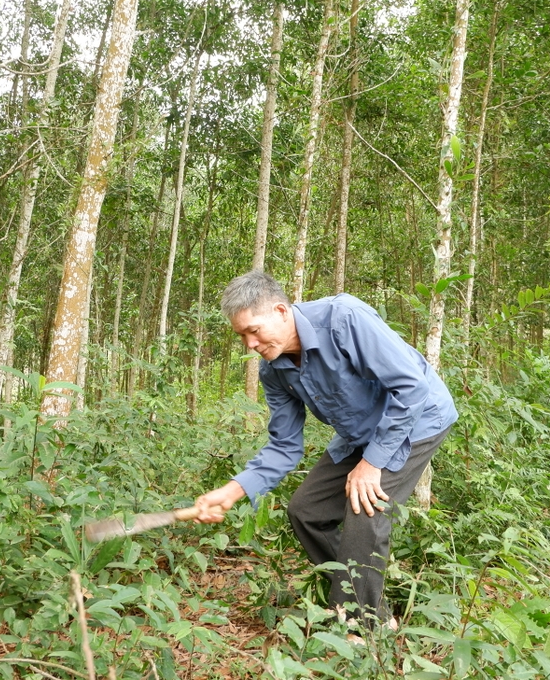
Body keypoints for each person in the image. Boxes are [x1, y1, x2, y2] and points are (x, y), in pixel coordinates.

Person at [193, 270, 457, 630]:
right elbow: (284, 446)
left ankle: (361, 630)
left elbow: (410, 388)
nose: (249, 344)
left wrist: (370, 464)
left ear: (282, 311)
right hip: (360, 432)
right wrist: (233, 490)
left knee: (364, 510)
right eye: (241, 336)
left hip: (418, 418)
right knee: (306, 511)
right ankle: (371, 604)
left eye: (254, 330)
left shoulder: (344, 319)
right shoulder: (274, 371)